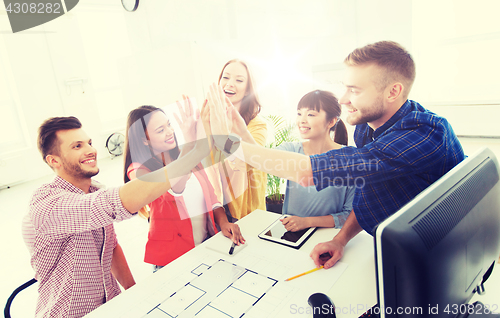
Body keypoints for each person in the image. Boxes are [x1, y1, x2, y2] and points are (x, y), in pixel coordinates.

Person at [206, 41, 465, 269]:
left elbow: (307, 172)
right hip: (394, 242)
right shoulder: (367, 127)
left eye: (355, 90)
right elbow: (368, 192)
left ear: (393, 92)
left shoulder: (425, 134)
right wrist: (340, 240)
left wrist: (225, 140)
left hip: (440, 256)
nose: (343, 99)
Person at [22, 115, 209, 318]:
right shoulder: (46, 204)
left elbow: (110, 248)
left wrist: (133, 291)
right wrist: (191, 155)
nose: (90, 150)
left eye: (89, 143)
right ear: (54, 160)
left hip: (111, 306)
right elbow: (112, 203)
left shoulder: (93, 191)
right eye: (77, 146)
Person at [123, 103, 244, 271]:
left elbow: (212, 198)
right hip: (173, 262)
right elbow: (175, 189)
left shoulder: (185, 154)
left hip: (206, 248)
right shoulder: (138, 171)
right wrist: (190, 143)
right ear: (144, 140)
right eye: (160, 130)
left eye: (169, 125)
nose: (170, 132)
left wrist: (224, 222)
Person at [276, 90, 355, 232]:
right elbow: (259, 159)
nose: (302, 120)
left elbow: (348, 215)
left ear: (331, 121)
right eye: (299, 113)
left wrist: (307, 222)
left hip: (327, 238)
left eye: (311, 114)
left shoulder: (350, 159)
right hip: (290, 235)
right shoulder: (291, 150)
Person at [207, 59, 267, 221]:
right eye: (225, 77)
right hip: (216, 208)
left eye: (239, 80)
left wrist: (224, 136)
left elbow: (249, 162)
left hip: (246, 211)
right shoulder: (208, 117)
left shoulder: (257, 125)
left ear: (248, 90)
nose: (230, 83)